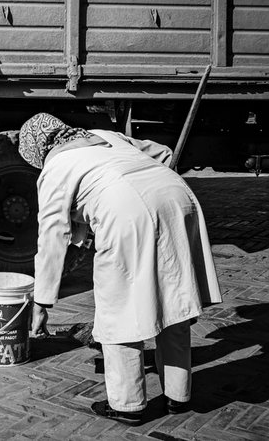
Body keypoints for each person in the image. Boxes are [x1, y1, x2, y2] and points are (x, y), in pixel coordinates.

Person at [19, 113, 222, 424]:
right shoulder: (105, 134)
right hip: (178, 199)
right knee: (174, 302)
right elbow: (164, 153)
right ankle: (178, 396)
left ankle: (128, 405)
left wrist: (42, 302)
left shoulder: (55, 168)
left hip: (128, 217)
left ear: (38, 150)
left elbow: (51, 236)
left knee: (119, 310)